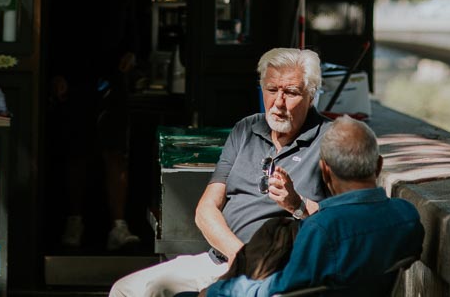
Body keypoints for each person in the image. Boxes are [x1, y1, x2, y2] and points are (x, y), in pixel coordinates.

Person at [109, 47, 330, 297]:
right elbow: (205, 210)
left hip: (279, 270)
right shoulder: (246, 129)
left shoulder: (330, 140)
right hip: (224, 258)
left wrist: (297, 205)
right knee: (127, 290)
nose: (278, 103)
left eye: (290, 92)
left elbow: (340, 221)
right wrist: (240, 256)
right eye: (271, 90)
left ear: (311, 96)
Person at [199, 116, 424, 297]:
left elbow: (282, 289)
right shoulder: (406, 216)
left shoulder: (321, 229)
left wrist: (219, 291)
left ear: (325, 171)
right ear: (378, 166)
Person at [47, 0, 142, 251]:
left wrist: (132, 55)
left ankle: (118, 227)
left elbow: (135, 34)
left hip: (113, 80)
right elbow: (53, 33)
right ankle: (75, 223)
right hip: (74, 80)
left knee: (115, 154)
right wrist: (55, 73)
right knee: (76, 154)